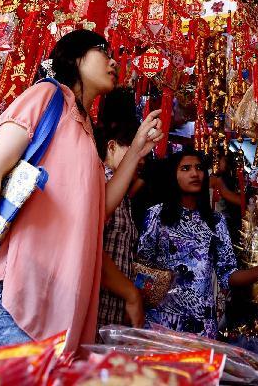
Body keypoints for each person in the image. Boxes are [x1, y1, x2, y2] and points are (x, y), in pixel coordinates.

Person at [0, 29, 163, 356]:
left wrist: (136, 151)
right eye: (102, 51)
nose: (113, 62)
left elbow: (95, 211)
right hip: (17, 296)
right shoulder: (48, 96)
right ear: (74, 57)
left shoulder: (85, 128)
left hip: (60, 304)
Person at [138, 149, 258, 339]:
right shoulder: (156, 215)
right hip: (162, 323)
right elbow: (142, 268)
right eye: (185, 168)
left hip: (202, 326)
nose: (195, 173)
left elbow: (228, 276)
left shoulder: (215, 222)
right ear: (172, 175)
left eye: (199, 168)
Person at [95, 88, 146, 333]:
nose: (141, 158)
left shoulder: (121, 193)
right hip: (96, 311)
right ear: (112, 147)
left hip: (110, 315)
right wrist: (131, 294)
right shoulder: (101, 184)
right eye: (134, 148)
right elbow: (92, 248)